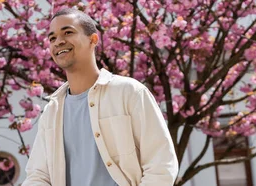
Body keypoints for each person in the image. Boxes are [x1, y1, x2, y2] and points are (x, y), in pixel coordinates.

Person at [22, 8, 179, 186]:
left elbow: (161, 165)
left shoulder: (129, 92)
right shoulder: (52, 111)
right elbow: (37, 175)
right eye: (52, 38)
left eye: (68, 32)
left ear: (93, 39)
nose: (59, 41)